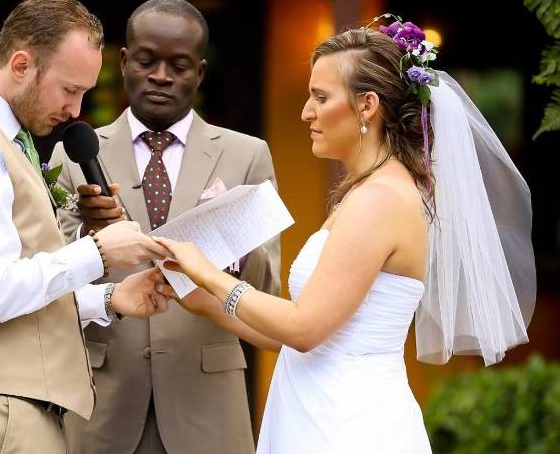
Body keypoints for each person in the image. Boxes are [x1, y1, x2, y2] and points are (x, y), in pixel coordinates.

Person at [153, 22, 535, 453]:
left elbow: (304, 330)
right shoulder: (366, 192)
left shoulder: (379, 201)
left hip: (347, 423)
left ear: (367, 106)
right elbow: (289, 333)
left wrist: (208, 274)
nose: (306, 113)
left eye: (320, 97)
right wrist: (201, 301)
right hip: (315, 409)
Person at [0, 0, 174, 454]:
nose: (75, 110)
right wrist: (97, 253)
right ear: (20, 65)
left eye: (84, 94)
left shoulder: (7, 141)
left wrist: (108, 298)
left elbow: (22, 292)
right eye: (69, 89)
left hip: (14, 413)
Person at [50, 0, 280, 453]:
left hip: (207, 406)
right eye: (147, 60)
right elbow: (44, 278)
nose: (160, 76)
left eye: (178, 65)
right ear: (123, 61)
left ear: (200, 72)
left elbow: (267, 287)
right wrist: (87, 237)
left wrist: (230, 246)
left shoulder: (246, 155)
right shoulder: (74, 153)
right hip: (102, 403)